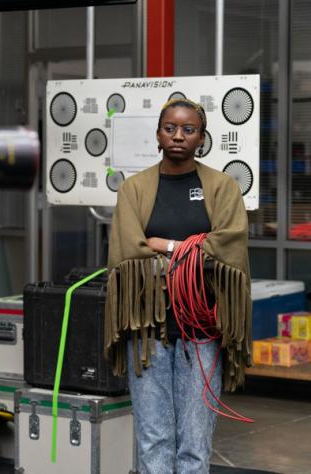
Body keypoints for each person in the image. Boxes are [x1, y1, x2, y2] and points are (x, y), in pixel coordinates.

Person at [104, 98, 252, 474]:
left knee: (195, 444)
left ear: (201, 138)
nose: (178, 136)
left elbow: (227, 248)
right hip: (148, 331)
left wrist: (168, 247)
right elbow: (129, 253)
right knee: (153, 442)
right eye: (170, 128)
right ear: (158, 134)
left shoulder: (222, 188)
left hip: (203, 330)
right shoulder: (134, 190)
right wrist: (194, 251)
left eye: (189, 130)